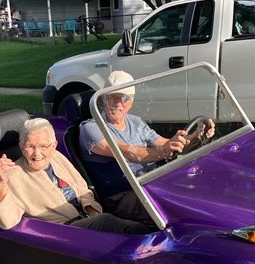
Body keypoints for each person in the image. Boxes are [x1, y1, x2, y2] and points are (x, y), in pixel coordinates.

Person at [79, 70, 215, 224]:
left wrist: (196, 136)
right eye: (112, 96)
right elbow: (127, 153)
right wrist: (165, 150)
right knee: (177, 210)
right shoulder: (91, 128)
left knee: (201, 191)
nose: (117, 103)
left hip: (151, 184)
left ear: (131, 101)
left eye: (123, 98)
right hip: (123, 196)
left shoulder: (135, 121)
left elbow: (165, 144)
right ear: (103, 98)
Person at [0, 118, 149, 234]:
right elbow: (6, 222)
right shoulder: (14, 174)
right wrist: (3, 183)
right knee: (110, 222)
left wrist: (91, 209)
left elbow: (81, 186)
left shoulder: (56, 156)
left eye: (43, 146)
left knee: (144, 210)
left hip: (88, 217)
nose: (37, 153)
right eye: (30, 146)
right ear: (21, 146)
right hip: (63, 232)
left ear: (54, 145)